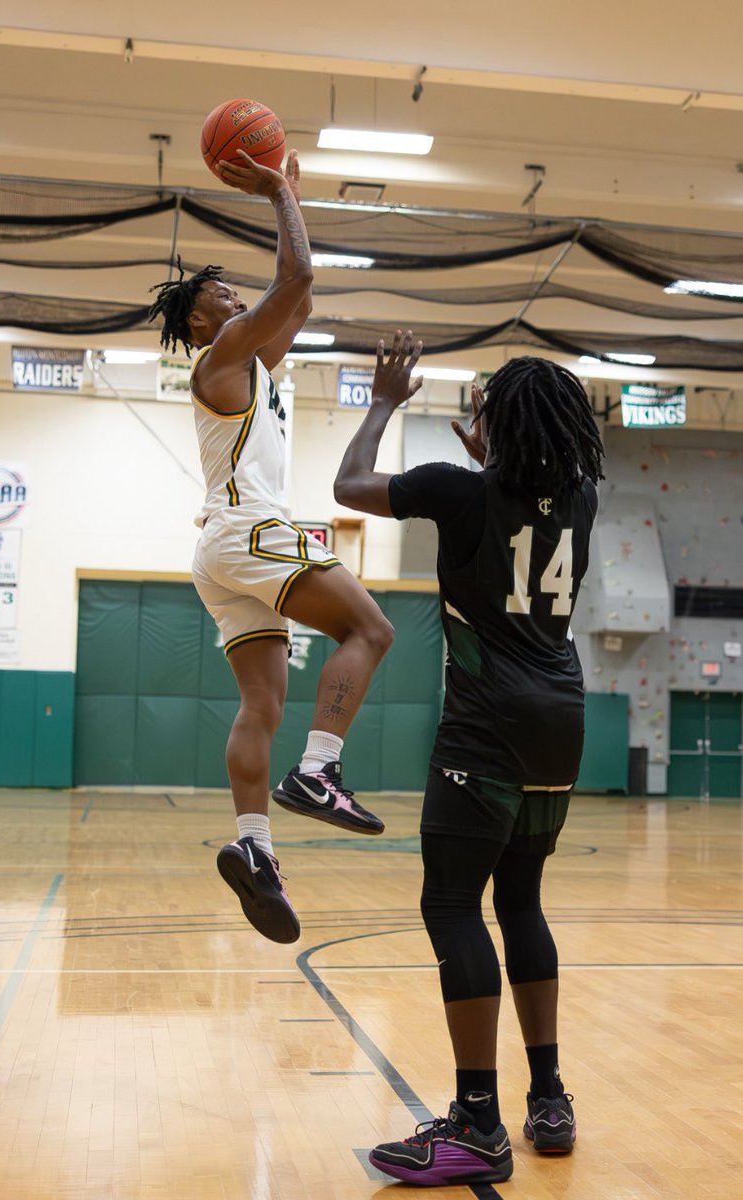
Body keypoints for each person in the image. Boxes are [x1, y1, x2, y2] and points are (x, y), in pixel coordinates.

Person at [334, 330, 604, 1186]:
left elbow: (347, 486)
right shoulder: (584, 498)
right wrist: (502, 450)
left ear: (495, 424)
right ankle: (549, 1098)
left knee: (452, 904)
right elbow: (526, 492)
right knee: (520, 900)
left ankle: (479, 1122)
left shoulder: (458, 493)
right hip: (562, 717)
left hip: (487, 721)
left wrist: (383, 401)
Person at [146, 149, 394, 945]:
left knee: (261, 704)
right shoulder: (221, 357)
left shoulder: (251, 363)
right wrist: (281, 190)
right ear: (197, 321)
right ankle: (318, 770)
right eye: (221, 293)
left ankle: (254, 847)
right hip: (253, 531)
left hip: (221, 549)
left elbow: (299, 299)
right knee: (371, 630)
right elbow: (297, 280)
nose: (235, 294)